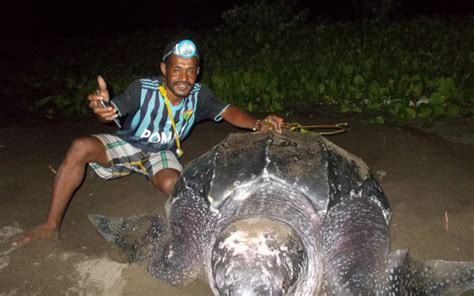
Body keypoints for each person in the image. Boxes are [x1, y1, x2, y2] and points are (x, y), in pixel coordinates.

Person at [12, 39, 284, 246]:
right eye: (177, 69)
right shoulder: (143, 88)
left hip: (161, 154)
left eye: (190, 71)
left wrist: (259, 125)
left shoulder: (200, 95)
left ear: (197, 72)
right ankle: (50, 226)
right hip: (128, 145)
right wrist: (105, 109)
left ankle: (203, 236)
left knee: (174, 185)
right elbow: (114, 110)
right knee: (80, 147)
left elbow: (229, 112)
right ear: (164, 69)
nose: (184, 78)